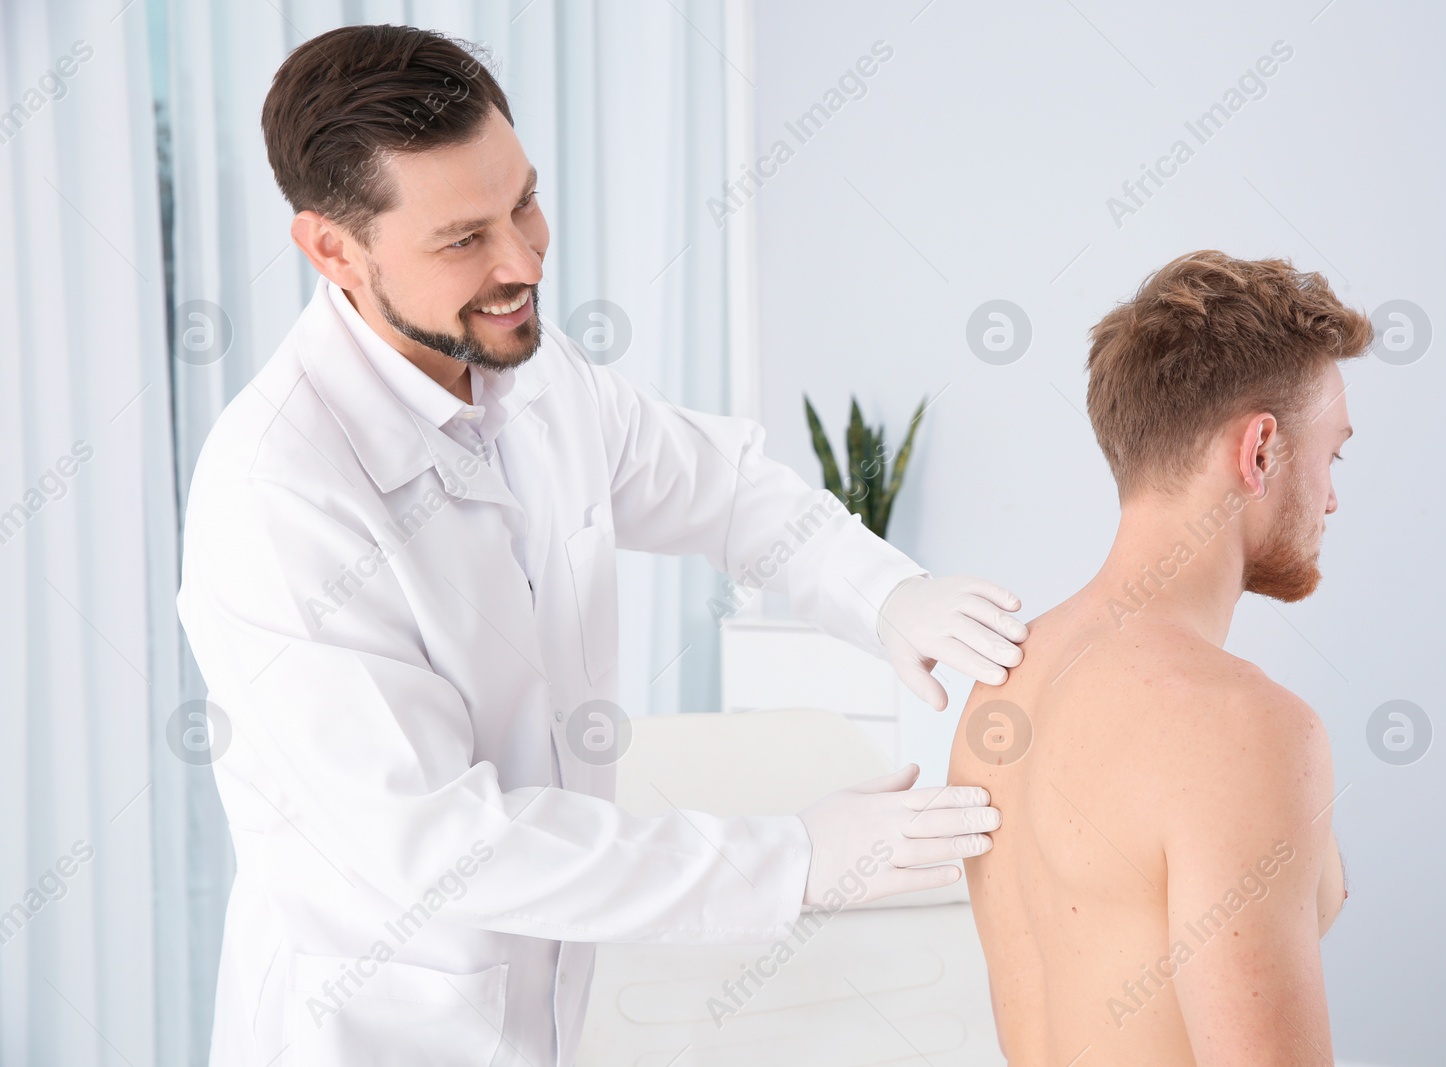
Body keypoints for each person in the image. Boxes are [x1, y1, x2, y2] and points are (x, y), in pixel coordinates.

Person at [176, 25, 1025, 1067]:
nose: (524, 261)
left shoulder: (534, 374)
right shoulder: (279, 492)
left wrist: (887, 592)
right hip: (374, 1032)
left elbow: (722, 491)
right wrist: (792, 857)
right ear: (333, 250)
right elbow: (441, 846)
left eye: (525, 201)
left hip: (544, 1017)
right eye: (462, 239)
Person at [950, 250, 1367, 1065]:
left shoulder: (1001, 684)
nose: (1331, 497)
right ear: (1261, 451)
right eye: (1334, 455)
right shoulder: (1245, 727)